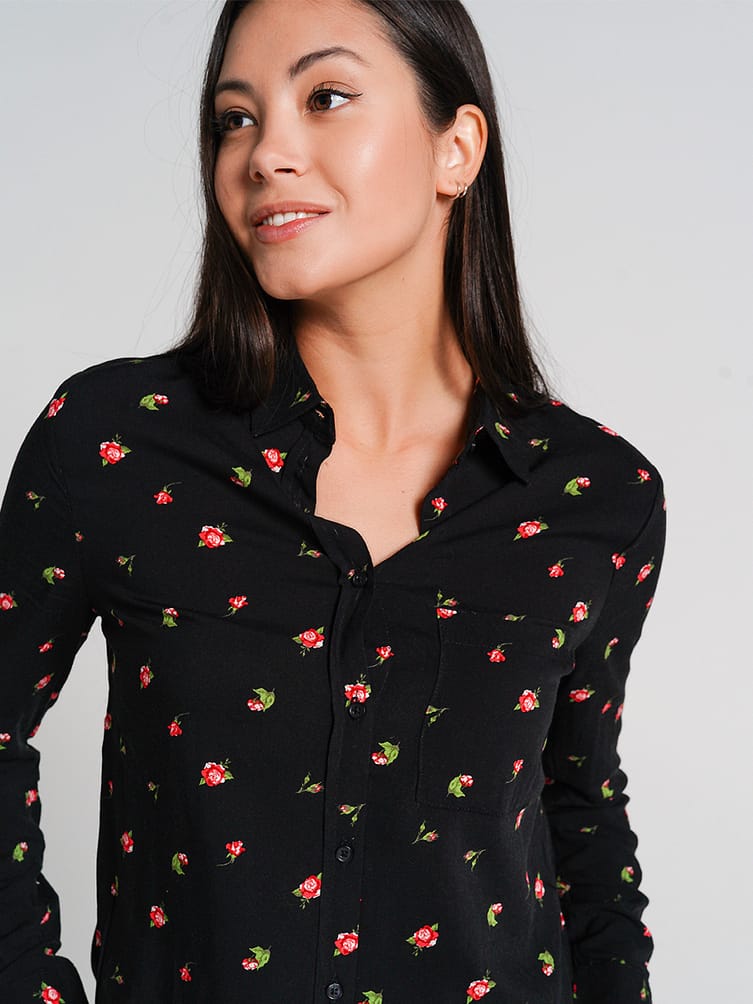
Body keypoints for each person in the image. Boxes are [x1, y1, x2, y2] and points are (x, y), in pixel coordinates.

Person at [0, 1, 667, 1001]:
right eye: (235, 118)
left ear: (456, 148)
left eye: (326, 97)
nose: (265, 154)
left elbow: (582, 813)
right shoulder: (114, 441)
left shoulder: (599, 497)